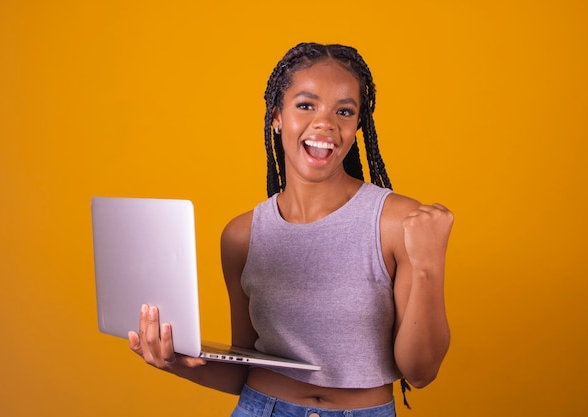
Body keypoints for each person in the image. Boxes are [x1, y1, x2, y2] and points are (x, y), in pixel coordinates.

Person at [128, 42, 453, 416]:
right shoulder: (241, 236)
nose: (325, 123)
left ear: (357, 124)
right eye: (305, 105)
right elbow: (244, 370)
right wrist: (174, 362)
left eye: (344, 111)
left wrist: (428, 265)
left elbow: (421, 371)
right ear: (277, 115)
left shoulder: (398, 222)